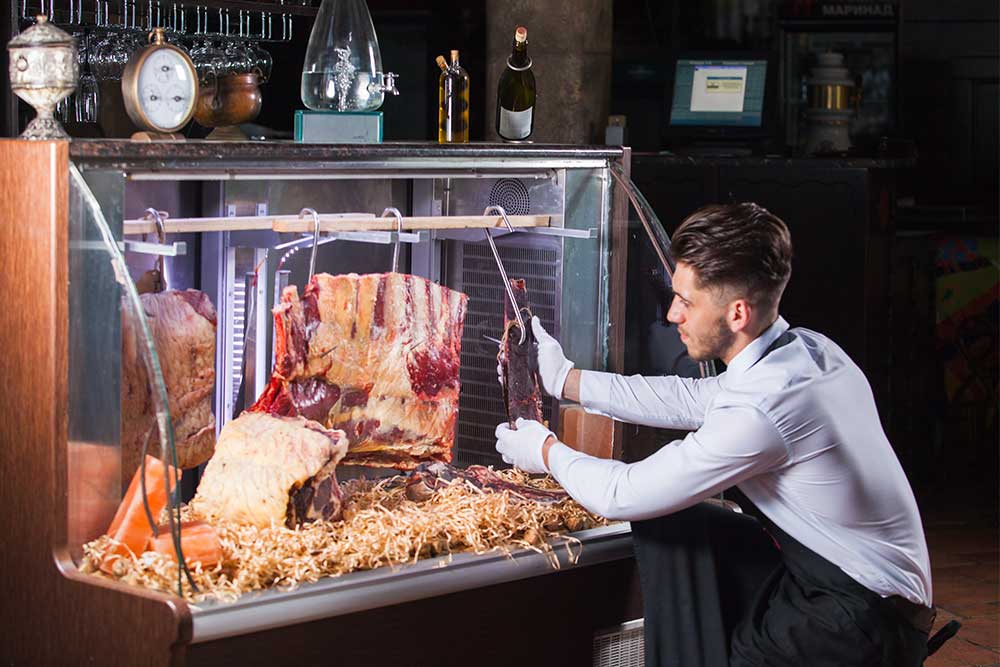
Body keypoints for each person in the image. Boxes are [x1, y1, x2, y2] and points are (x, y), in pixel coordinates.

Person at [494, 203, 935, 667]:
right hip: (850, 585)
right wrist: (567, 380)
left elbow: (623, 493)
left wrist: (544, 450)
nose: (671, 314)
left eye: (686, 301)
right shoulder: (806, 349)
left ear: (737, 313)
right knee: (674, 523)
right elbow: (691, 398)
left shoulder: (762, 411)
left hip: (863, 622)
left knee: (732, 635)